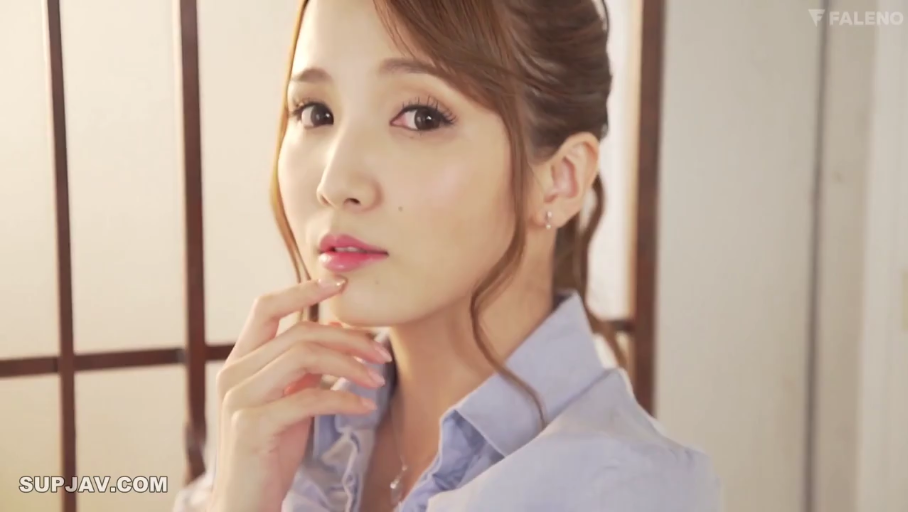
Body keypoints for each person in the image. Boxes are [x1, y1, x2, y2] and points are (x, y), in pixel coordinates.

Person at [174, 0, 721, 510]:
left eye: (421, 117)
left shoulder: (632, 489)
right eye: (315, 112)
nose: (335, 183)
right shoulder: (274, 442)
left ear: (560, 179)